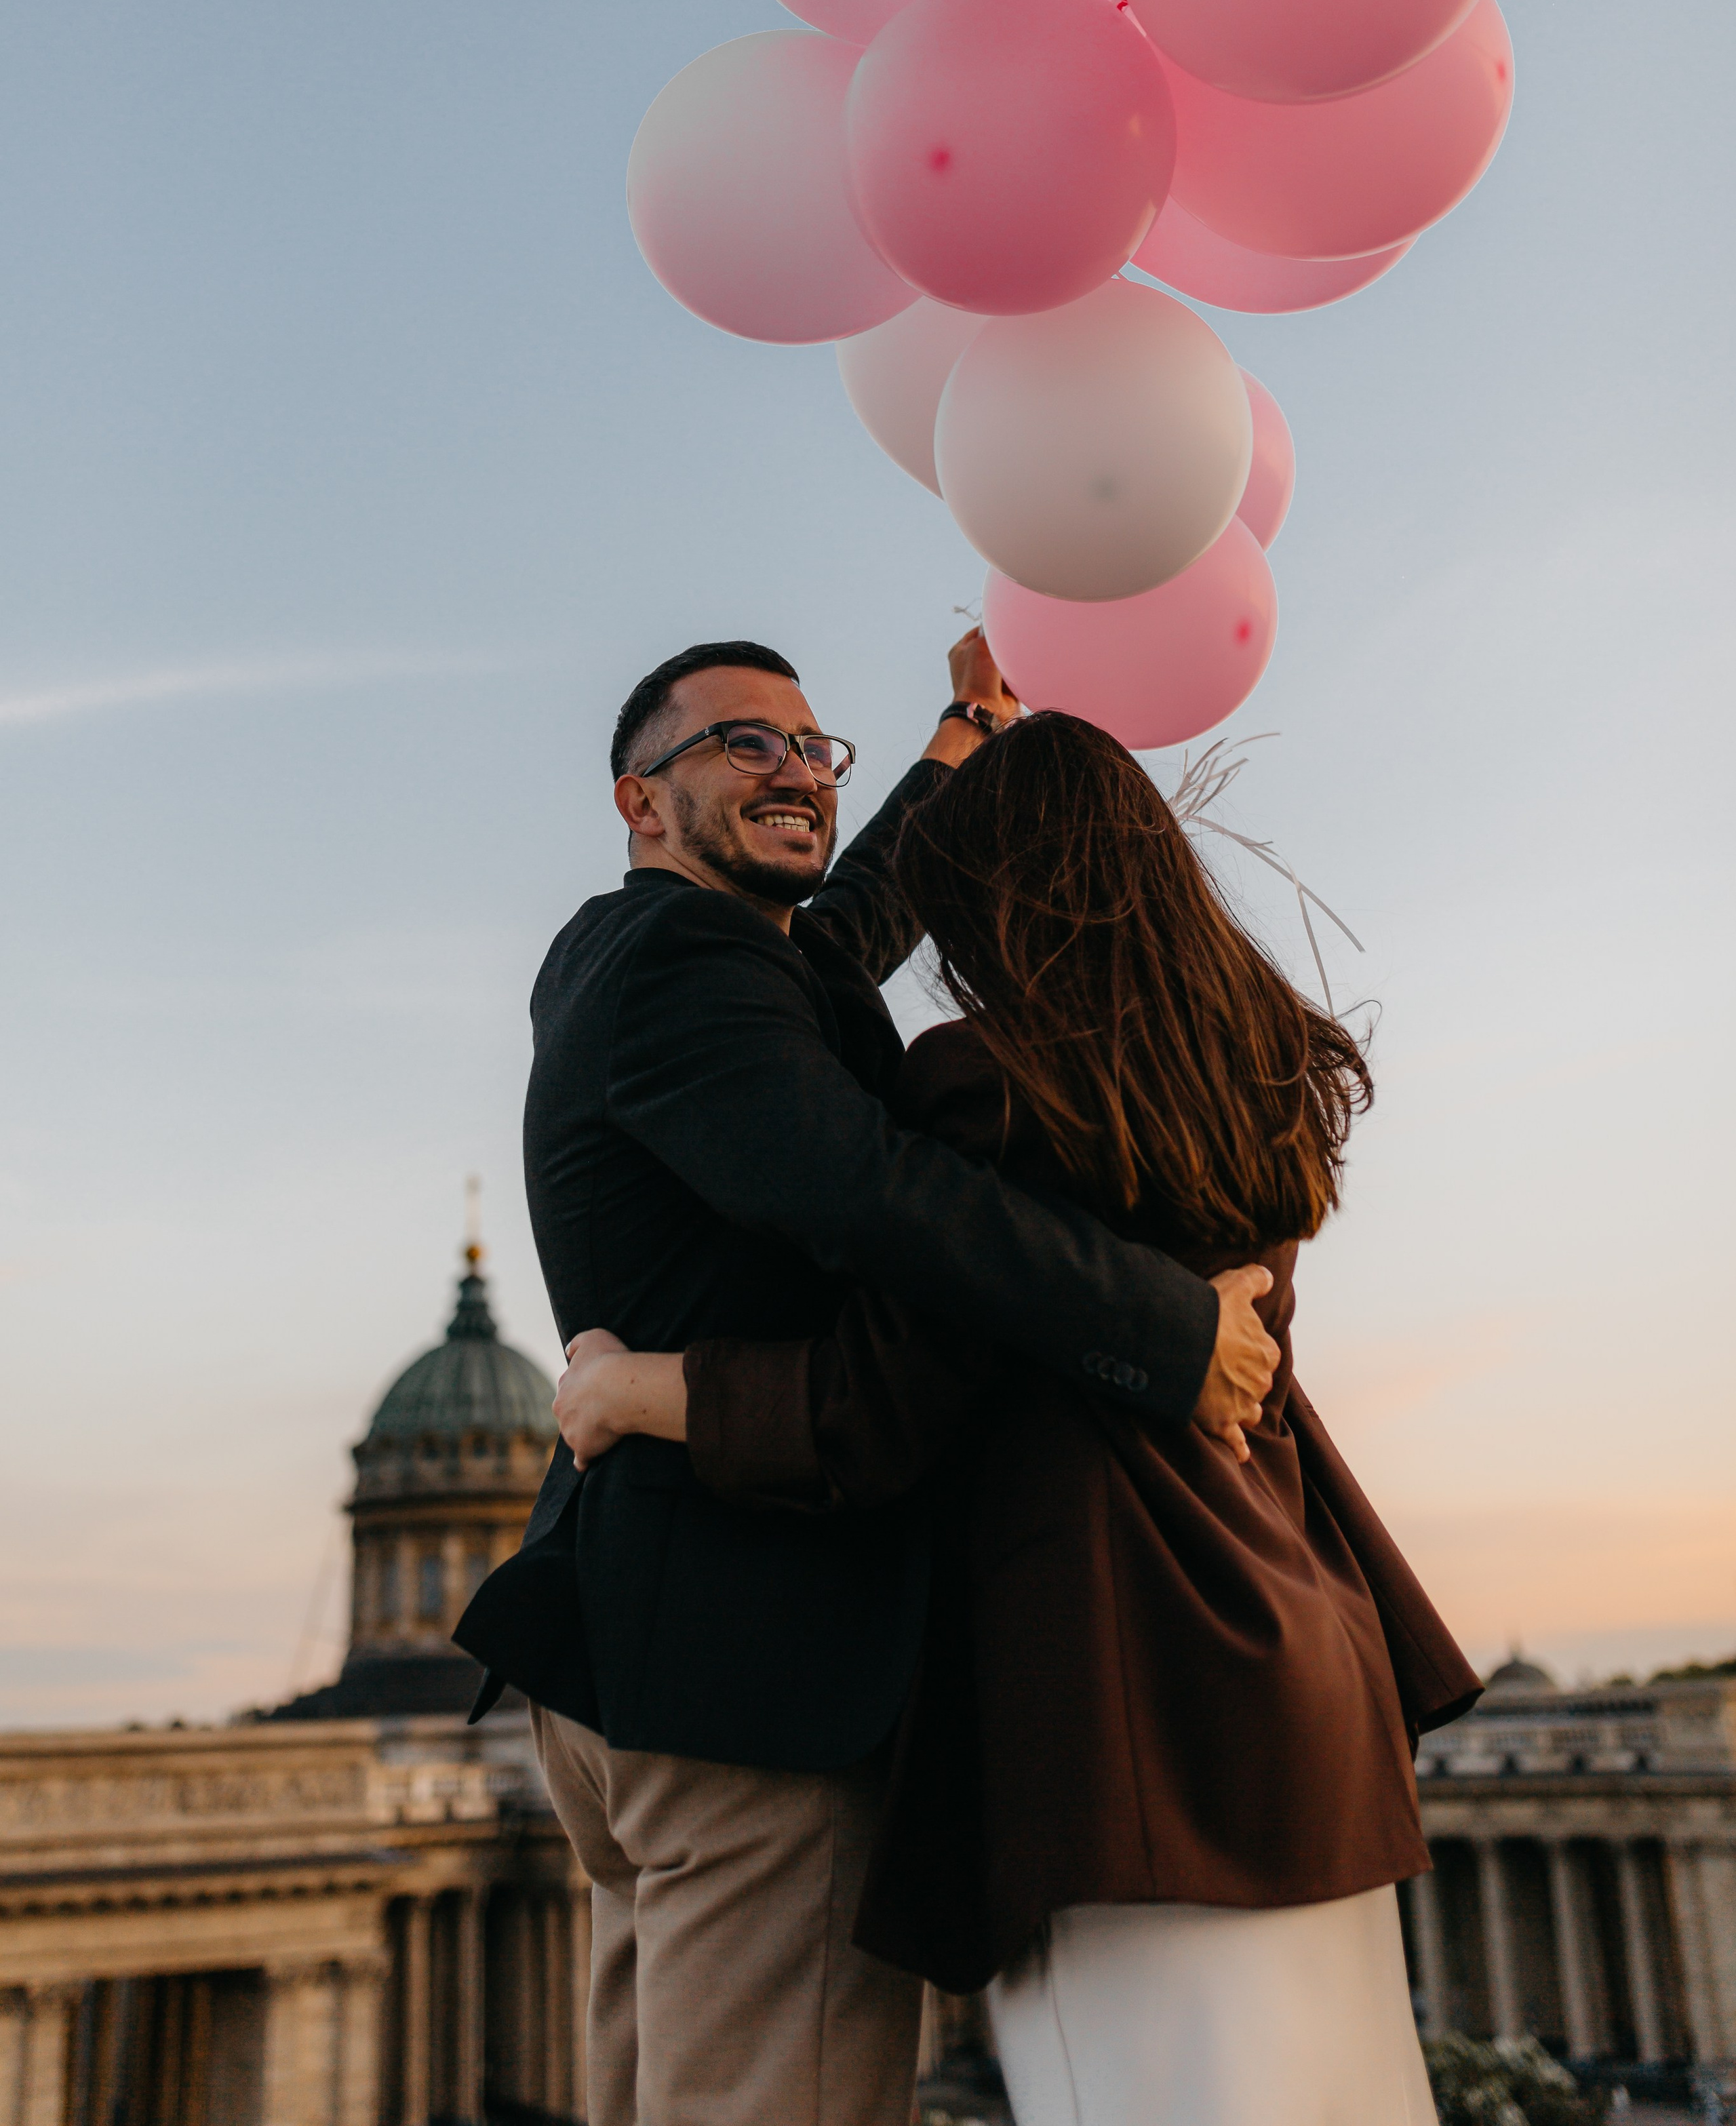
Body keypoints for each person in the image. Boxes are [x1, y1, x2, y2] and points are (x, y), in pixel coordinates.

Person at [559, 710, 1483, 2126]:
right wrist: (937, 762)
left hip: (1111, 1697)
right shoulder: (1262, 1066)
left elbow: (870, 1406)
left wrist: (630, 1389)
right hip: (1304, 1663)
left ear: (991, 890)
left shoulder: (986, 1084)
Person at [454, 639, 1282, 2126]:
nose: (792, 768)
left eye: (809, 746)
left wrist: (959, 734)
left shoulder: (642, 957)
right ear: (639, 799)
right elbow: (868, 1188)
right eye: (740, 745)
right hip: (751, 1668)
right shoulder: (687, 965)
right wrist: (1164, 1334)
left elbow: (836, 938)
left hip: (632, 1651)